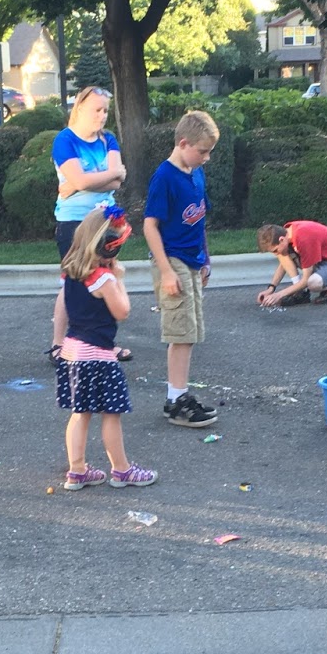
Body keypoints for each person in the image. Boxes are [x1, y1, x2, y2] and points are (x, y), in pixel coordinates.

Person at [56, 206, 157, 490]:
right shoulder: (104, 278)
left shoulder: (71, 272)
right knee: (111, 414)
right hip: (98, 355)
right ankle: (122, 470)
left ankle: (77, 470)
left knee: (80, 413)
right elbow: (122, 311)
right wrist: (119, 279)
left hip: (72, 351)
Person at [143, 108, 219, 427]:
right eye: (203, 151)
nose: (207, 158)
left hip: (192, 259)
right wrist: (166, 271)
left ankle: (180, 394)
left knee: (190, 332)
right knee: (181, 332)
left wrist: (205, 258)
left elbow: (199, 220)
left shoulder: (196, 173)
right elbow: (150, 226)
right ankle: (175, 401)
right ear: (183, 143)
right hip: (171, 259)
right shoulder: (165, 177)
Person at [50, 86, 129, 364]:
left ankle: (104, 344)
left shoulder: (108, 139)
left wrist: (76, 183)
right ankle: (59, 344)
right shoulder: (65, 140)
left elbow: (117, 181)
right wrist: (97, 177)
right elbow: (101, 177)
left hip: (106, 222)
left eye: (105, 110)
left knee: (105, 278)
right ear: (81, 108)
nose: (102, 115)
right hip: (73, 222)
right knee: (73, 281)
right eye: (97, 109)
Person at [255, 220, 327, 308]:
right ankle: (301, 293)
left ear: (281, 239)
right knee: (283, 254)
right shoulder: (287, 233)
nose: (275, 254)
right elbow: (284, 264)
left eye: (275, 250)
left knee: (313, 283)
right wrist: (271, 288)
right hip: (319, 259)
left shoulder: (304, 238)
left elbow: (305, 281)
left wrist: (279, 295)